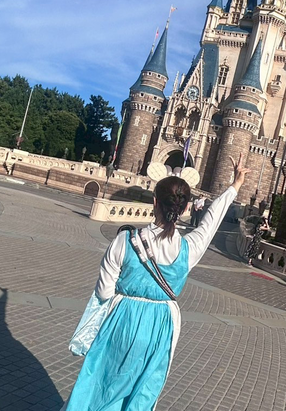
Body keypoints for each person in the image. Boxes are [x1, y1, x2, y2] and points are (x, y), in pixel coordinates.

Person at [61, 153, 249, 411]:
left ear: (154, 202)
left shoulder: (125, 241)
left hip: (122, 319)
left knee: (100, 385)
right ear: (185, 209)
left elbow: (104, 292)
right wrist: (235, 185)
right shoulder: (189, 249)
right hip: (161, 325)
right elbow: (211, 221)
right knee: (142, 393)